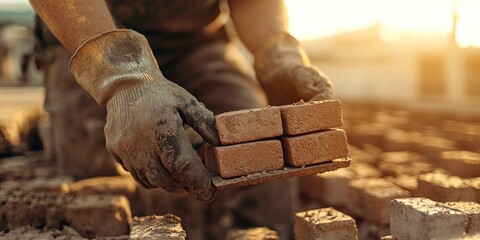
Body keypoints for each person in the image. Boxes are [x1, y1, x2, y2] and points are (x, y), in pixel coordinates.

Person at [30, 0, 333, 239]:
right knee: (94, 178)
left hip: (196, 43)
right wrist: (122, 79)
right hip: (86, 38)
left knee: (263, 151)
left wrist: (275, 51)